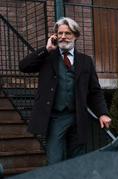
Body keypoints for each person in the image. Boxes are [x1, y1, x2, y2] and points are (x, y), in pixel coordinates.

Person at [19, 17, 111, 165]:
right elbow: (23, 66)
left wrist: (103, 113)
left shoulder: (86, 61)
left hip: (78, 117)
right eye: (60, 33)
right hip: (56, 118)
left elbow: (95, 91)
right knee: (55, 160)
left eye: (67, 33)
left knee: (77, 162)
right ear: (55, 35)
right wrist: (46, 49)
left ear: (76, 36)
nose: (63, 37)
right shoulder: (48, 57)